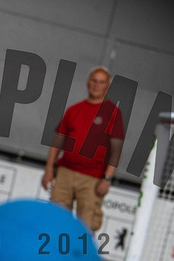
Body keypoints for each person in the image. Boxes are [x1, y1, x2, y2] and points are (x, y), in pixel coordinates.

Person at [41, 66, 124, 231]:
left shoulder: (113, 113)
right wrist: (49, 169)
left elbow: (116, 150)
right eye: (94, 80)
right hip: (65, 173)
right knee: (55, 220)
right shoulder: (74, 110)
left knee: (86, 227)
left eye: (101, 82)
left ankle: (79, 249)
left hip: (93, 179)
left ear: (107, 86)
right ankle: (55, 248)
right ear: (88, 82)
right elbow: (58, 143)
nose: (97, 85)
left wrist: (107, 178)